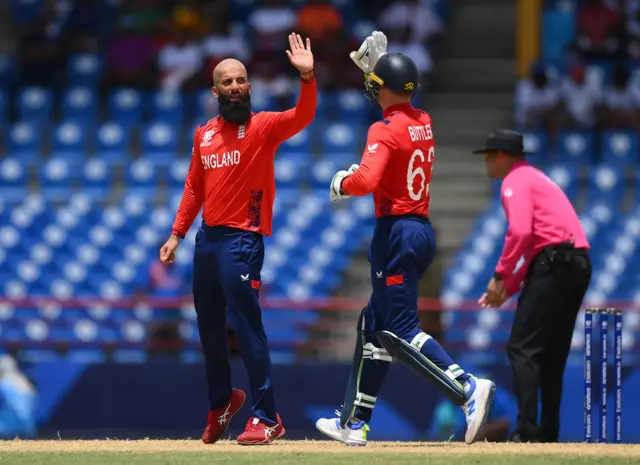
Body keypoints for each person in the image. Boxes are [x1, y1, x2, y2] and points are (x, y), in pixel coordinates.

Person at [315, 31, 496, 447]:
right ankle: (354, 422)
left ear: (382, 89)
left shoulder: (383, 130)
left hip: (395, 231)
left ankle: (466, 387)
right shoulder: (424, 120)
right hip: (418, 227)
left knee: (398, 329)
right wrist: (381, 71)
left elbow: (367, 179)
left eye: (374, 85)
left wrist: (342, 183)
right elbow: (399, 107)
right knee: (373, 325)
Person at [159, 33, 316, 445]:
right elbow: (195, 187)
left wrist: (308, 76)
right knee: (209, 327)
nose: (234, 87)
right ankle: (222, 401)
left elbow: (303, 116)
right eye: (226, 82)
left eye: (240, 80)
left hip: (242, 241)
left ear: (249, 86)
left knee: (246, 328)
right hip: (207, 241)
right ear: (215, 90)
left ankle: (267, 417)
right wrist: (177, 233)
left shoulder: (262, 127)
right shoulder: (204, 135)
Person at [474, 129, 592, 443]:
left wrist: (500, 275)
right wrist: (509, 286)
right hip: (577, 262)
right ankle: (548, 431)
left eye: (488, 155)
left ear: (500, 155)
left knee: (521, 348)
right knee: (552, 353)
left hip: (554, 263)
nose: (486, 163)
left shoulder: (514, 181)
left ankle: (527, 429)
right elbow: (533, 246)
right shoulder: (536, 177)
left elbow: (521, 233)